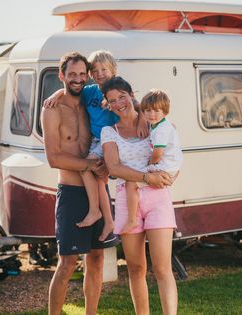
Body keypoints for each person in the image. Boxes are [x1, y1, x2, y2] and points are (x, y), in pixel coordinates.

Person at [41, 51, 118, 315]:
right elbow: (53, 158)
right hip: (72, 193)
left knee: (96, 259)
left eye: (82, 74)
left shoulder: (91, 100)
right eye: (72, 74)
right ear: (61, 75)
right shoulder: (52, 109)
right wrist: (88, 165)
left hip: (98, 187)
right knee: (67, 263)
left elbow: (122, 100)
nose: (78, 79)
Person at [44, 50, 148, 241]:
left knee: (86, 168)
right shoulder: (90, 91)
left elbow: (137, 105)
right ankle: (108, 219)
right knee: (98, 179)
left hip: (110, 138)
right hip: (97, 140)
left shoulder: (117, 90)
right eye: (95, 70)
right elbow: (70, 88)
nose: (100, 73)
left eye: (104, 69)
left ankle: (95, 211)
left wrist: (141, 120)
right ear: (90, 74)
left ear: (113, 71)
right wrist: (58, 93)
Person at [101, 76, 178, 315]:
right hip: (128, 198)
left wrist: (173, 175)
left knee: (163, 268)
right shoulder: (108, 132)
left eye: (122, 97)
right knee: (135, 268)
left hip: (157, 198)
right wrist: (146, 177)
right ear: (108, 104)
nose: (118, 103)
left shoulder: (155, 121)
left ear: (131, 95)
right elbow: (113, 168)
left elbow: (174, 146)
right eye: (112, 100)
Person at [123, 89, 183, 234]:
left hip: (165, 166)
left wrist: (149, 164)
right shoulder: (162, 124)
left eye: (156, 111)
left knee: (130, 182)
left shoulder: (160, 130)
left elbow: (157, 153)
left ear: (165, 111)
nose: (152, 114)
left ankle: (132, 220)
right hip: (173, 164)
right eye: (148, 111)